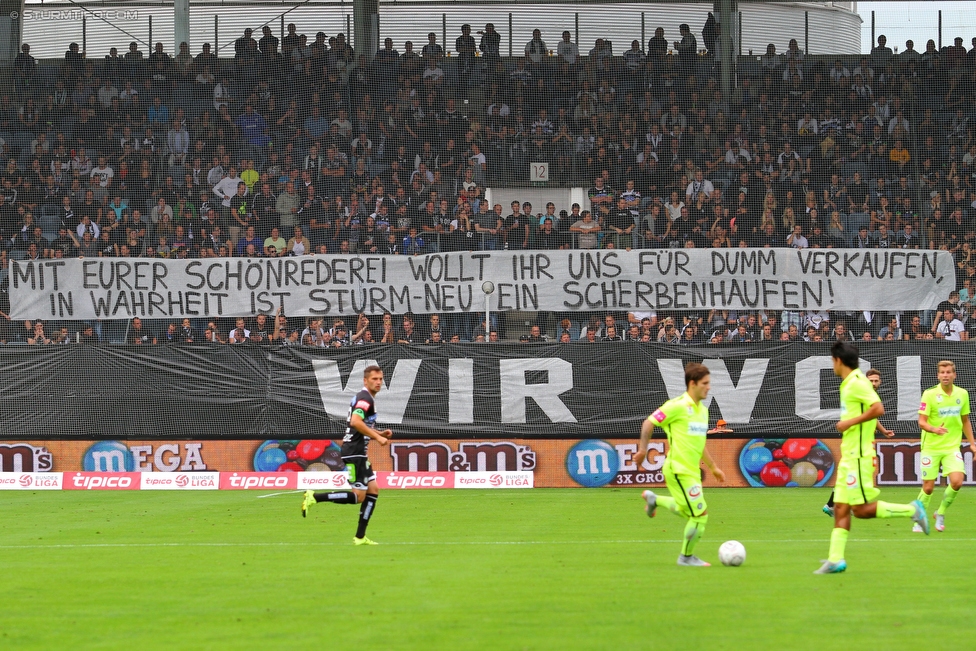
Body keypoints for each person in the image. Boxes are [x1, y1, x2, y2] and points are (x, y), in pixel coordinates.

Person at [814, 342, 929, 575]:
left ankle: (912, 510)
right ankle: (836, 559)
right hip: (849, 456)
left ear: (838, 361)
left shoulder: (857, 382)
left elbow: (878, 408)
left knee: (861, 510)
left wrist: (848, 423)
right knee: (840, 509)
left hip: (859, 457)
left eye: (832, 360)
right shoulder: (848, 384)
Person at [635, 363, 728, 567]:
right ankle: (685, 557)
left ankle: (654, 500)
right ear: (692, 384)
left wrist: (713, 467)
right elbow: (648, 423)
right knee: (699, 515)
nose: (708, 387)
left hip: (692, 471)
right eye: (705, 383)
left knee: (685, 510)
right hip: (678, 469)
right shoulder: (676, 406)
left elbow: (699, 442)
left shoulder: (703, 411)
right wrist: (643, 449)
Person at [302, 365, 392, 546]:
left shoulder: (364, 399)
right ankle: (315, 497)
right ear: (365, 381)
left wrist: (379, 433)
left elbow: (359, 425)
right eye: (374, 379)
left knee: (373, 491)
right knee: (359, 496)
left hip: (359, 453)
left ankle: (360, 537)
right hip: (354, 453)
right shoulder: (365, 399)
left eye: (380, 379)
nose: (378, 382)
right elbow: (355, 422)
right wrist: (377, 437)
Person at [914, 360, 976, 533]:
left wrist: (972, 443)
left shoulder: (962, 394)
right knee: (928, 487)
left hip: (951, 447)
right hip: (931, 447)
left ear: (954, 375)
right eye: (942, 372)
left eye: (949, 372)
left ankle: (940, 513)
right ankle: (919, 518)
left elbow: (965, 420)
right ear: (938, 375)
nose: (945, 375)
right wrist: (934, 429)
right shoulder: (929, 394)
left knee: (957, 482)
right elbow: (921, 421)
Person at [823, 368, 894, 516]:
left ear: (880, 382)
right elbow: (866, 415)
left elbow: (872, 416)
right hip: (856, 443)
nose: (874, 383)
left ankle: (832, 505)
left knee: (847, 475)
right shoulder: (862, 394)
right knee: (855, 477)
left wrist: (882, 430)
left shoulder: (869, 395)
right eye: (871, 380)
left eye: (876, 381)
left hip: (856, 442)